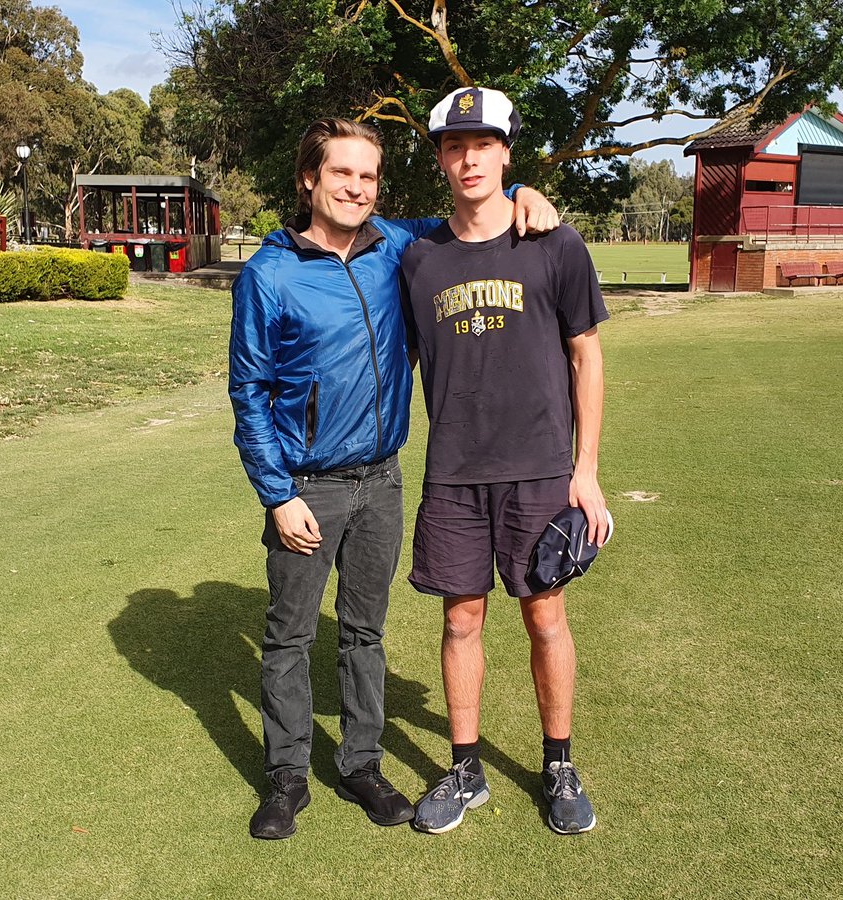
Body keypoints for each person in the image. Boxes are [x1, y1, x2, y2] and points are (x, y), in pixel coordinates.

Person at [229, 117, 558, 840]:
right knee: (289, 637)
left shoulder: (396, 246)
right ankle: (286, 777)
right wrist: (277, 495)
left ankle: (361, 766)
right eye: (341, 173)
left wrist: (525, 192)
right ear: (309, 179)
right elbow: (249, 393)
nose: (356, 188)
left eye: (368, 176)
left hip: (381, 480)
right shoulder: (269, 274)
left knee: (364, 633)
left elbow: (472, 216)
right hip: (307, 487)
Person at [399, 87, 611, 835]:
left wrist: (585, 471)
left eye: (483, 144)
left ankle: (559, 764)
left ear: (506, 153)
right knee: (461, 621)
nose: (469, 159)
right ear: (440, 159)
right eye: (455, 146)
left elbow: (586, 357)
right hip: (454, 472)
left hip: (540, 470)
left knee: (545, 618)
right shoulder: (416, 256)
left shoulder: (555, 244)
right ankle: (466, 771)